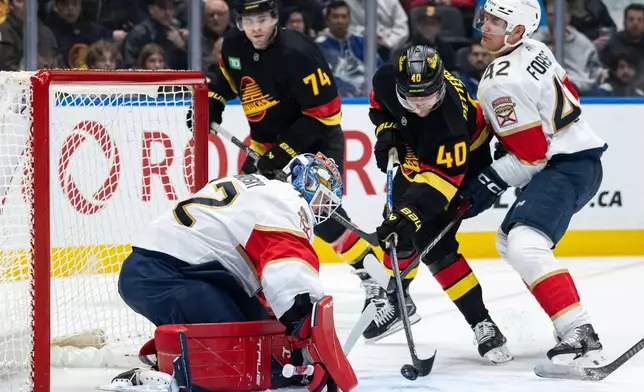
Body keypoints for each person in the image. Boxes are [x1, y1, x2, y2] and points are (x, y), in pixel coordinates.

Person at [116, 152, 357, 391]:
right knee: (236, 360)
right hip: (159, 273)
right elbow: (289, 275)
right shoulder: (289, 202)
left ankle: (176, 348)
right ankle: (162, 375)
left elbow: (265, 281)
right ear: (308, 187)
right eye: (323, 201)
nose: (321, 209)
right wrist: (309, 333)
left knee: (260, 332)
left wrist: (295, 345)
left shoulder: (262, 187)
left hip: (187, 272)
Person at [207, 0, 385, 324]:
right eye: (249, 21)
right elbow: (225, 81)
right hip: (268, 146)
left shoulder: (298, 53)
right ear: (239, 23)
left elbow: (326, 115)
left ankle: (376, 282)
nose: (256, 28)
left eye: (263, 19)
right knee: (247, 213)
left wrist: (281, 153)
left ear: (275, 18)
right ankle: (257, 292)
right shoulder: (234, 46)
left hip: (316, 142)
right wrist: (212, 104)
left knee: (320, 216)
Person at [463, 0, 607, 365]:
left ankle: (578, 328)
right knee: (507, 241)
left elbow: (533, 156)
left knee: (525, 244)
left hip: (564, 165)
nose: (486, 26)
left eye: (497, 21)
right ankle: (566, 319)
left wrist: (490, 180)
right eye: (487, 17)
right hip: (578, 157)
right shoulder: (537, 48)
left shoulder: (500, 80)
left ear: (517, 31)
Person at [367, 45, 512, 364]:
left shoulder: (449, 122)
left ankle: (483, 323)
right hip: (416, 152)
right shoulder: (386, 78)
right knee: (397, 232)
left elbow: (440, 184)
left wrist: (412, 214)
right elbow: (380, 106)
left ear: (441, 87)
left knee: (434, 244)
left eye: (428, 98)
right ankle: (398, 300)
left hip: (463, 162)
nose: (420, 107)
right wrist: (387, 131)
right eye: (412, 98)